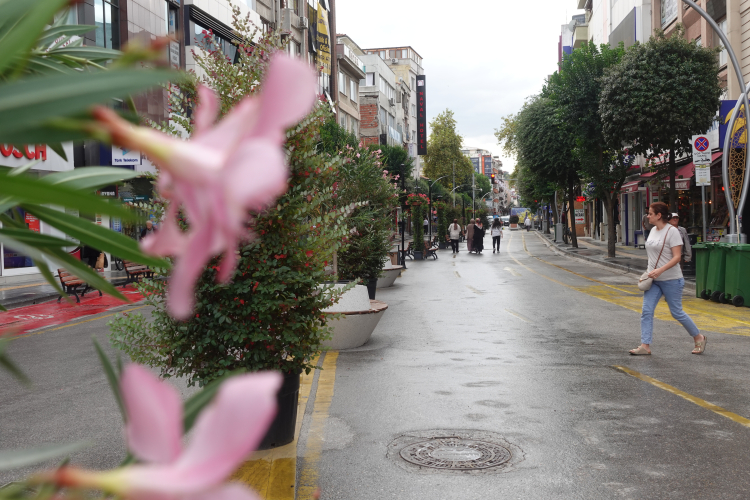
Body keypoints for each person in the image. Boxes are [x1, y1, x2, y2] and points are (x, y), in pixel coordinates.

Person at [629, 202, 706, 356]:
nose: (648, 216)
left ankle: (699, 337)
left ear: (659, 215)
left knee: (676, 312)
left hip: (672, 279)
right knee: (646, 311)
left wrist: (660, 270)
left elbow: (677, 257)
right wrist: (651, 272)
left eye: (650, 214)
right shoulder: (652, 231)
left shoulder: (672, 232)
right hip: (653, 280)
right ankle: (645, 345)